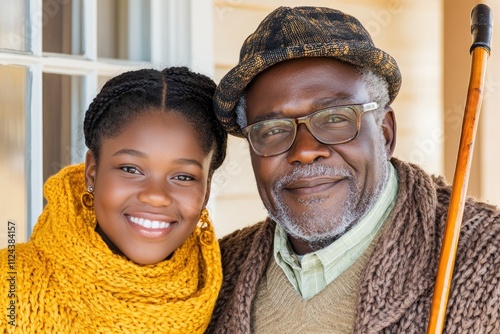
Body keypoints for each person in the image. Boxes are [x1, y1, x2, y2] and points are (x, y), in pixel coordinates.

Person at [206, 6, 500, 333]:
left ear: (385, 133)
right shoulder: (216, 275)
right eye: (273, 129)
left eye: (335, 118)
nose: (304, 151)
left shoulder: (490, 261)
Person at [0, 67, 227, 333]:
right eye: (131, 169)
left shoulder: (229, 294)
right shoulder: (10, 289)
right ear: (92, 172)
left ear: (207, 190)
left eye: (183, 177)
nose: (155, 196)